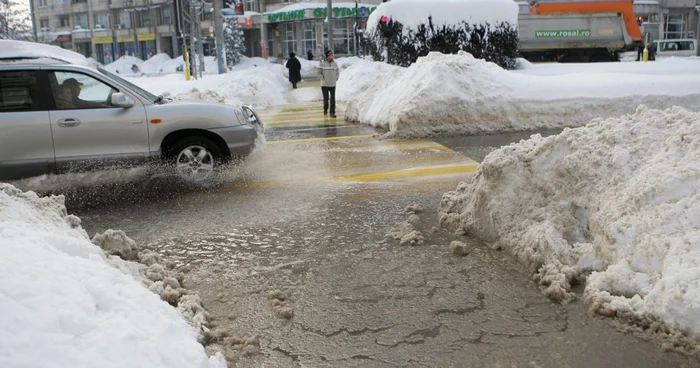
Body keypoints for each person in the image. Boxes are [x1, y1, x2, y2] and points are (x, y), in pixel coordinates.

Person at [317, 50, 340, 118]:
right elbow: (318, 73)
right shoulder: (322, 63)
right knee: (326, 99)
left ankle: (332, 112)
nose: (332, 56)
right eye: (331, 55)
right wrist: (323, 78)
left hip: (333, 84)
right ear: (327, 56)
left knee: (332, 99)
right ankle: (325, 109)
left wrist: (336, 77)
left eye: (332, 55)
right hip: (324, 85)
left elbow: (337, 71)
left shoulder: (334, 63)